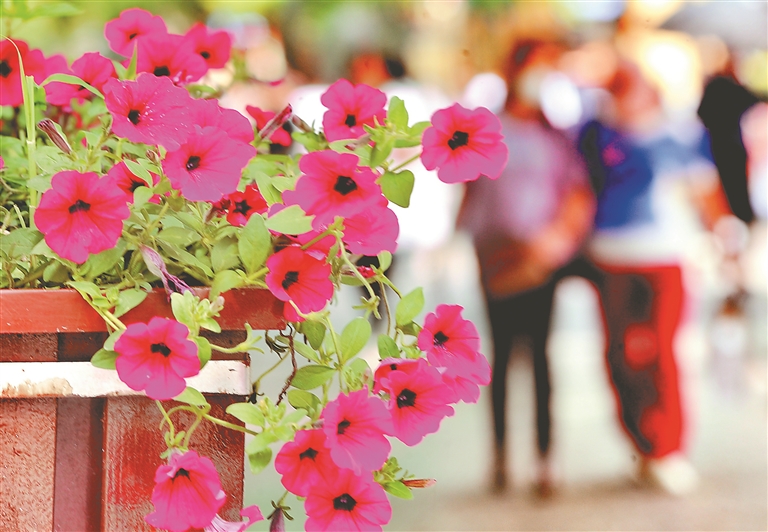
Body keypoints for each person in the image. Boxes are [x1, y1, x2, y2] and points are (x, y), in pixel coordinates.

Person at [457, 38, 598, 495]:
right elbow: (471, 190)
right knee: (500, 356)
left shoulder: (555, 136)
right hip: (496, 255)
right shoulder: (488, 130)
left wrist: (555, 240)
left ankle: (544, 458)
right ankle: (500, 456)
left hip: (541, 258)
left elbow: (577, 193)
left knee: (539, 356)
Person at [577, 59, 712, 495]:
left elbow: (703, 190)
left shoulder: (680, 134)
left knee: (664, 353)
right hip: (611, 255)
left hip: (667, 255)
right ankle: (641, 440)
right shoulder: (596, 135)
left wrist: (722, 238)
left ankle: (669, 447)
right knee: (620, 353)